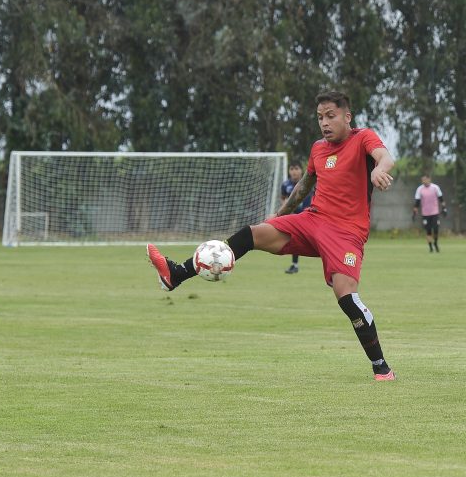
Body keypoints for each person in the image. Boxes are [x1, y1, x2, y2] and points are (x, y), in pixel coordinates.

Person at [147, 90, 397, 381]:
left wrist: (379, 170)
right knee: (250, 234)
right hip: (312, 221)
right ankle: (176, 274)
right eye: (320, 117)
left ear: (346, 116)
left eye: (331, 116)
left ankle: (381, 367)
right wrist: (279, 216)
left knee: (347, 299)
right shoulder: (318, 148)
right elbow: (304, 185)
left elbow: (385, 157)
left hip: (346, 233)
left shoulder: (363, 137)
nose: (325, 123)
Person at [280, 162, 314, 273]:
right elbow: (283, 199)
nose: (294, 171)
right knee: (295, 239)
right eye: (292, 168)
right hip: (295, 217)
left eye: (296, 168)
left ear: (301, 170)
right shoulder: (285, 185)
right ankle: (294, 265)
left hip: (309, 217)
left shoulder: (309, 183)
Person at [412, 174, 447, 252]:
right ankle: (430, 247)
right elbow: (417, 202)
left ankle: (436, 243)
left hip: (435, 213)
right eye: (422, 180)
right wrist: (414, 213)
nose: (423, 181)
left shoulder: (435, 188)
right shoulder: (420, 189)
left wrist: (444, 209)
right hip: (425, 214)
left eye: (425, 179)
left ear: (429, 179)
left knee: (435, 229)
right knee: (428, 231)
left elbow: (441, 199)